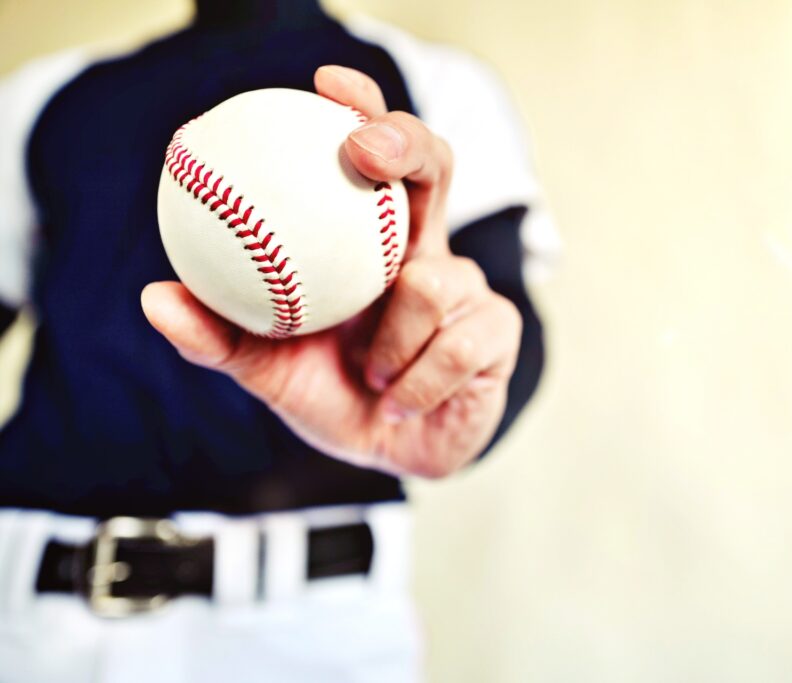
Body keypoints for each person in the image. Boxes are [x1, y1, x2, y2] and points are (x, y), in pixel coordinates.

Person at [0, 0, 552, 680]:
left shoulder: (435, 86)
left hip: (314, 616)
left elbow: (499, 318)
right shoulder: (43, 98)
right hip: (42, 608)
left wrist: (452, 395)